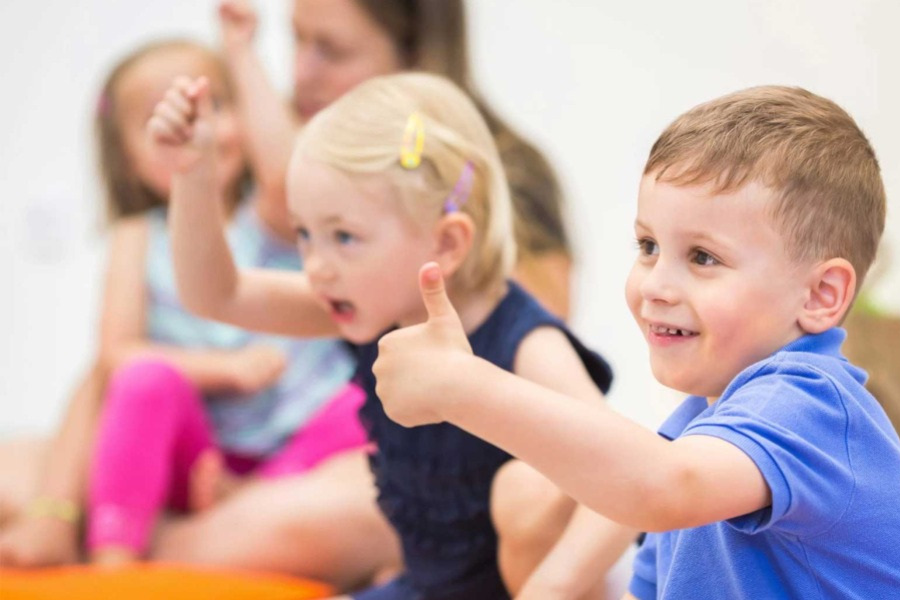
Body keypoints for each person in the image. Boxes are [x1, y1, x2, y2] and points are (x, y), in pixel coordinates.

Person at [373, 86, 900, 598]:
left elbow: (660, 486)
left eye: (702, 257)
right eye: (648, 246)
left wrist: (463, 386)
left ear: (819, 295)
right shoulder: (693, 436)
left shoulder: (811, 404)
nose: (656, 284)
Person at [150, 71, 628, 598]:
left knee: (529, 489)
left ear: (446, 243)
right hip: (424, 588)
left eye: (344, 237)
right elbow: (217, 295)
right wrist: (192, 176)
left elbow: (630, 477)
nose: (316, 266)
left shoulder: (528, 344)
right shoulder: (374, 304)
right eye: (305, 234)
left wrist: (552, 589)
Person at [0, 40, 398, 589]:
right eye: (161, 119)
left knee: (367, 396)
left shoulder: (276, 216)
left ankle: (253, 500)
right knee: (142, 381)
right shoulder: (139, 237)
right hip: (203, 452)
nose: (195, 128)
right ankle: (114, 557)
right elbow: (117, 352)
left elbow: (284, 173)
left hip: (299, 443)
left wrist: (241, 49)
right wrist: (224, 371)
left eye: (214, 106)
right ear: (127, 157)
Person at [219, 0, 575, 318]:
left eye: (334, 51)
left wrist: (242, 56)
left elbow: (537, 322)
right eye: (297, 39)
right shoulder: (259, 135)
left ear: (415, 56)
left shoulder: (506, 170)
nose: (301, 74)